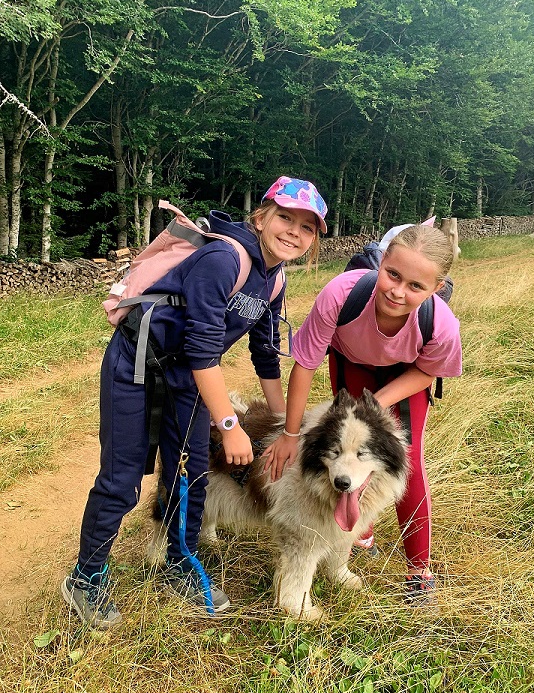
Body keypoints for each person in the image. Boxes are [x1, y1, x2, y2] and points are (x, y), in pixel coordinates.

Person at [61, 175, 328, 629]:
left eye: (307, 227)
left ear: (315, 239)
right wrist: (230, 425)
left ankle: (177, 558)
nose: (293, 232)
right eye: (285, 217)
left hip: (187, 374)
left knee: (192, 472)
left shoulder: (274, 277)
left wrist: (288, 429)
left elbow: (264, 354)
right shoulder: (225, 259)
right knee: (122, 478)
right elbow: (204, 350)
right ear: (261, 216)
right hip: (136, 363)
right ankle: (85, 577)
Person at [263, 224, 462, 604]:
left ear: (436, 289)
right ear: (381, 261)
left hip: (406, 376)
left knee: (408, 460)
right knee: (349, 450)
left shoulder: (441, 325)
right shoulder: (343, 293)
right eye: (393, 274)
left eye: (416, 287)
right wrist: (290, 435)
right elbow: (304, 364)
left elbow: (428, 371)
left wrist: (381, 401)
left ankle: (419, 568)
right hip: (351, 362)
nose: (398, 292)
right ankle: (358, 530)